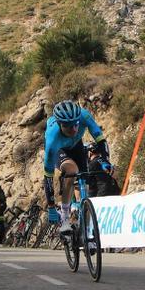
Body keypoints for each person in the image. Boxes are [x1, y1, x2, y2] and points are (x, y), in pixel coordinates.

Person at [43, 100, 109, 236]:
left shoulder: (84, 116)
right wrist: (50, 206)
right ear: (61, 125)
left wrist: (106, 161)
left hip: (77, 146)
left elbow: (100, 139)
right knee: (72, 170)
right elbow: (48, 177)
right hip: (59, 150)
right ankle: (65, 217)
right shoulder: (52, 138)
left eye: (76, 125)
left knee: (85, 184)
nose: (74, 129)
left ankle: (87, 232)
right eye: (69, 127)